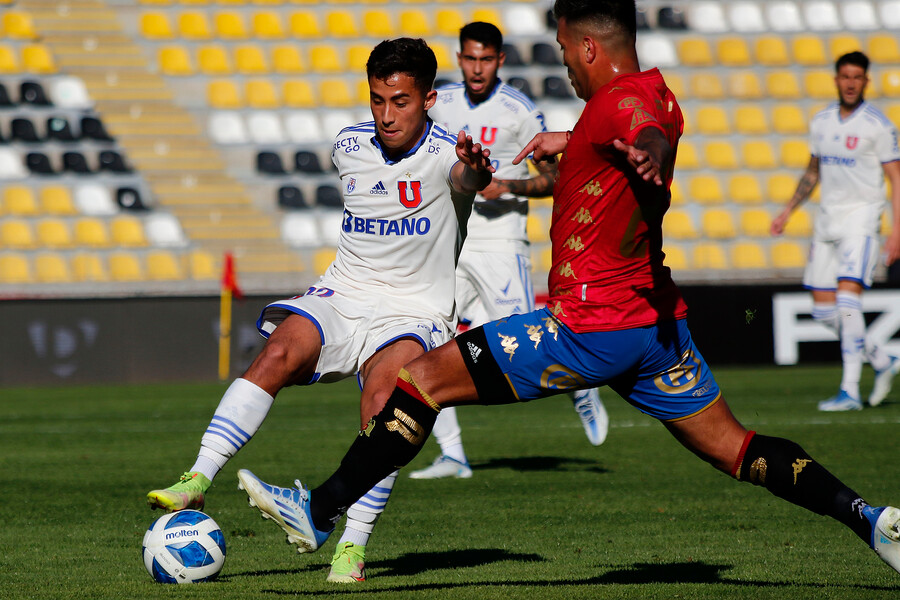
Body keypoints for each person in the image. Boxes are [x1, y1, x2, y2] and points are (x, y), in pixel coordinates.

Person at [235, 0, 900, 579]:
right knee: (738, 448)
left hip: (589, 325)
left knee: (419, 380)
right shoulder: (651, 90)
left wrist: (647, 152)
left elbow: (643, 133)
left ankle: (318, 512)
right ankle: (868, 518)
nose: (564, 65)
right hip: (656, 329)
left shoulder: (625, 107)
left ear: (587, 45)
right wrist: (559, 154)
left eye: (562, 50)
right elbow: (624, 139)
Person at [147, 37, 494, 583]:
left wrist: (476, 170)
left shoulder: (450, 154)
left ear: (429, 99)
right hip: (345, 291)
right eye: (377, 99)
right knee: (279, 349)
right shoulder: (348, 145)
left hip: (413, 309)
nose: (386, 114)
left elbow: (466, 181)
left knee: (384, 404)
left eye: (400, 101)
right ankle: (197, 477)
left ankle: (350, 548)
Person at [409, 21, 609, 482]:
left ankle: (579, 386)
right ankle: (454, 455)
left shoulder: (519, 111)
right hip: (450, 239)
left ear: (499, 61)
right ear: (459, 59)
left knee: (525, 347)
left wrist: (509, 186)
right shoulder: (442, 104)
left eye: (486, 59)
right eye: (469, 58)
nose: (477, 68)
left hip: (502, 243)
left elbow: (558, 178)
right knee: (427, 338)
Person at [771, 51, 900, 412]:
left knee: (847, 302)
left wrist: (897, 230)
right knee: (824, 312)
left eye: (857, 77)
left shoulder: (879, 126)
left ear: (866, 81)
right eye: (845, 76)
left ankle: (850, 391)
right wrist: (787, 211)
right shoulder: (822, 121)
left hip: (861, 219)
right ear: (836, 79)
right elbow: (812, 172)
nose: (850, 82)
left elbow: (896, 178)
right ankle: (882, 358)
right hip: (827, 220)